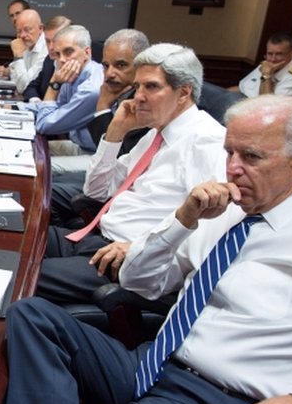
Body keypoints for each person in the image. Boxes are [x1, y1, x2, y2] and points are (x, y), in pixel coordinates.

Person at [0, 95, 292, 404]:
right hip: (153, 363)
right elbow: (138, 282)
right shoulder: (223, 213)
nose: (232, 167)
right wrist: (182, 221)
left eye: (252, 156)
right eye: (229, 152)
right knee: (29, 312)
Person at [35, 43, 228, 306]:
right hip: (95, 239)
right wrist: (115, 133)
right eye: (137, 87)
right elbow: (97, 191)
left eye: (151, 87)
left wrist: (139, 250)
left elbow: (208, 227)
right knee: (15, 237)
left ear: (184, 93)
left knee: (19, 274)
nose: (138, 96)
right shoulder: (155, 133)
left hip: (124, 261)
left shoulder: (208, 142)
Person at [51, 28, 151, 227]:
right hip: (102, 171)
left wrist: (102, 108)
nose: (110, 74)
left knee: (48, 188)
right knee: (47, 181)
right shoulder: (116, 90)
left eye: (121, 65)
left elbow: (115, 156)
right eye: (106, 65)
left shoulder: (144, 103)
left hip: (123, 185)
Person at [0, 25, 103, 174]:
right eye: (59, 54)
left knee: (36, 165)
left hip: (96, 156)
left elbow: (44, 125)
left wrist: (54, 84)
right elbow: (50, 107)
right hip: (80, 145)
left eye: (69, 52)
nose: (62, 60)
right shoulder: (75, 74)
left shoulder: (91, 89)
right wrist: (0, 107)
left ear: (87, 52)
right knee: (24, 150)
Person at [231, 32, 292, 98]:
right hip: (238, 102)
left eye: (279, 54)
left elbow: (267, 105)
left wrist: (266, 74)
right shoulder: (266, 64)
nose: (272, 59)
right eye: (270, 54)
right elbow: (242, 88)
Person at [0, 9, 47, 95]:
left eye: (27, 30)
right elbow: (18, 77)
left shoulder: (47, 49)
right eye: (19, 31)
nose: (22, 35)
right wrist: (9, 71)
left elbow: (25, 87)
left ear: (41, 28)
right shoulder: (28, 42)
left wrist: (18, 57)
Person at [22, 14, 71, 101]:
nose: (51, 47)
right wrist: (35, 100)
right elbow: (31, 87)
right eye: (48, 41)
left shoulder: (77, 68)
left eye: (55, 41)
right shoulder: (49, 61)